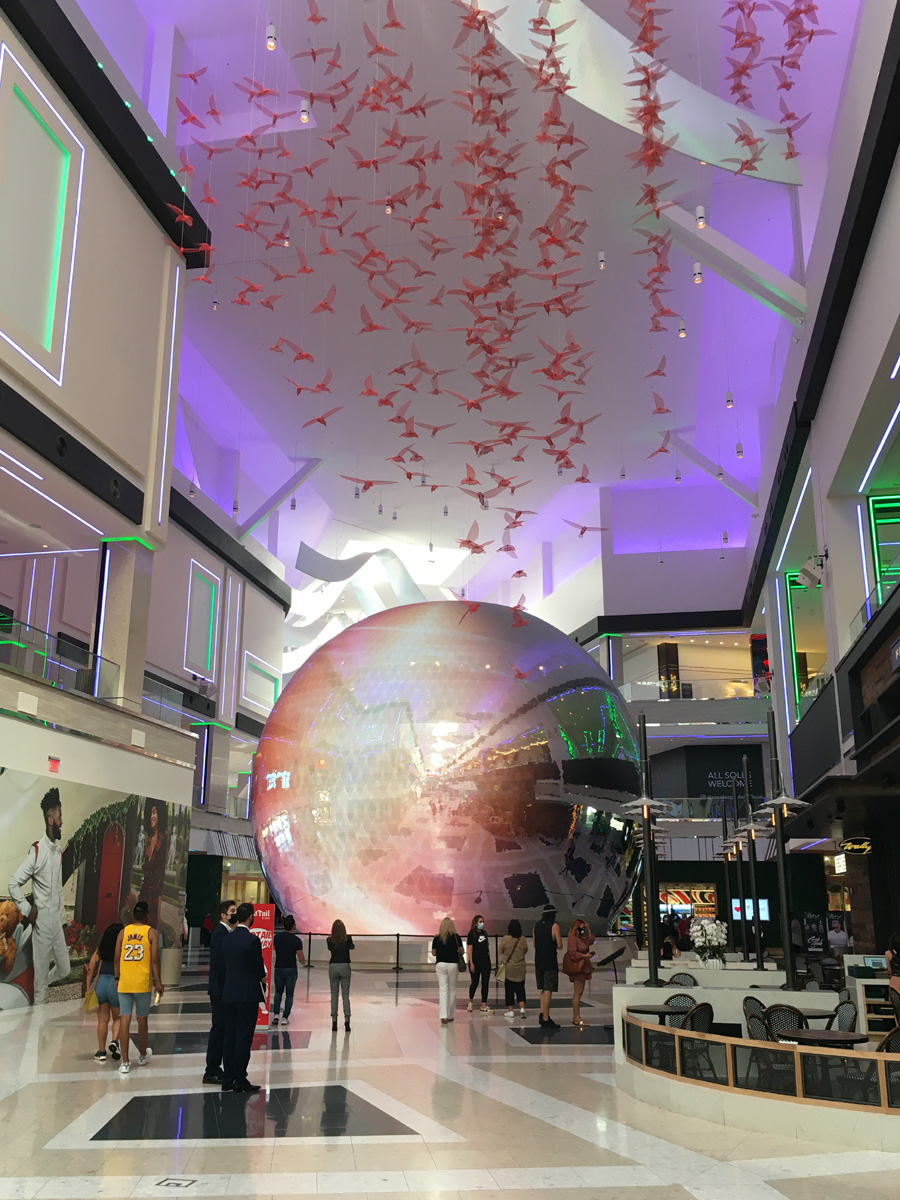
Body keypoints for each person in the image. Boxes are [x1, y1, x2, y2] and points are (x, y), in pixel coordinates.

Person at [8, 787, 69, 1005]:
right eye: (59, 817)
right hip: (41, 922)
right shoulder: (36, 851)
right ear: (50, 819)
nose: (62, 821)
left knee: (65, 969)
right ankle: (36, 1022)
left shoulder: (58, 852)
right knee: (41, 989)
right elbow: (13, 883)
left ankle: (42, 985)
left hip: (56, 922)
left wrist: (63, 920)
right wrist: (27, 910)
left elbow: (59, 890)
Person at [221, 901, 266, 1093]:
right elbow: (259, 969)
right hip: (247, 995)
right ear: (250, 917)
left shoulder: (227, 939)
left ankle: (227, 1077)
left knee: (229, 1035)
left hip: (229, 993)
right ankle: (240, 1078)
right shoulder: (252, 941)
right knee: (243, 1037)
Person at [114, 901, 163, 1076]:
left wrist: (117, 977)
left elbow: (117, 958)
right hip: (142, 983)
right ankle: (142, 1055)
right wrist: (158, 981)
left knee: (124, 1020)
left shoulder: (123, 932)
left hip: (125, 983)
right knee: (142, 1020)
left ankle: (125, 1062)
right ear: (147, 916)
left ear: (133, 915)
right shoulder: (151, 933)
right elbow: (154, 960)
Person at [203, 898, 236, 1085]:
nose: (235, 914)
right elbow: (222, 963)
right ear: (223, 915)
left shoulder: (226, 933)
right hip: (220, 989)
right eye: (232, 911)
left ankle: (217, 1067)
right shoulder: (220, 934)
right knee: (219, 1029)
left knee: (223, 1028)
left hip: (223, 988)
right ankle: (211, 1069)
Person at [85, 922, 123, 1062]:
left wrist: (88, 988)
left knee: (102, 1020)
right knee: (118, 1018)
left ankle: (101, 1051)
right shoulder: (123, 950)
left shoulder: (99, 951)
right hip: (116, 984)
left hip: (100, 983)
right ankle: (114, 1041)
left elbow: (91, 970)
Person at [138, 800, 168, 930]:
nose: (151, 816)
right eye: (150, 813)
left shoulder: (164, 837)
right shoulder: (149, 838)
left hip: (154, 891)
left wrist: (159, 914)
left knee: (151, 929)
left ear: (160, 814)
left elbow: (161, 875)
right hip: (145, 890)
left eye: (154, 813)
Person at [272, 914, 306, 1026]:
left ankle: (276, 1015)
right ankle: (285, 1017)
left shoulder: (277, 937)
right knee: (289, 994)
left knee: (278, 992)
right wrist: (303, 961)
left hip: (278, 967)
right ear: (293, 926)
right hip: (291, 969)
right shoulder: (296, 941)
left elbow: (274, 948)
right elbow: (301, 958)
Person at [533, 903, 563, 1029]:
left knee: (543, 989)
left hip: (538, 961)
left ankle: (541, 1013)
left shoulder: (536, 925)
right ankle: (546, 1018)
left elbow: (534, 943)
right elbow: (560, 945)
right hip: (550, 961)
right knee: (548, 989)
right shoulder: (554, 926)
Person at [432, 916, 463, 1025]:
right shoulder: (456, 937)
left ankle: (443, 1016)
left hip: (440, 964)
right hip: (453, 964)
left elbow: (433, 953)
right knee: (452, 989)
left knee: (443, 990)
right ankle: (450, 1015)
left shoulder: (437, 938)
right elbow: (462, 951)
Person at [564, 916, 595, 1027]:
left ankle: (576, 1016)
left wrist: (588, 930)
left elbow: (591, 941)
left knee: (580, 992)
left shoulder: (583, 937)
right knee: (578, 992)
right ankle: (576, 1017)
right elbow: (572, 953)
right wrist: (584, 956)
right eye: (581, 928)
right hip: (578, 967)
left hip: (584, 966)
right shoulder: (572, 938)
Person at [327, 919, 354, 1032]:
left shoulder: (329, 940)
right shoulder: (348, 939)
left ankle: (334, 1022)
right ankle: (347, 1021)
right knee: (345, 995)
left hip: (333, 966)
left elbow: (330, 948)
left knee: (334, 995)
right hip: (345, 966)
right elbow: (352, 947)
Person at [498, 918, 528, 1020]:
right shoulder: (522, 939)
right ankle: (522, 1009)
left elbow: (500, 951)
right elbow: (525, 950)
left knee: (509, 989)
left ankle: (510, 1011)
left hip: (509, 968)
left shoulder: (506, 939)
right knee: (521, 989)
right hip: (521, 967)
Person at [466, 913, 492, 1014]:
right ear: (476, 923)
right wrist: (471, 962)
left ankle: (484, 1004)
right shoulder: (471, 934)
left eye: (483, 922)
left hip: (485, 961)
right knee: (475, 982)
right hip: (476, 961)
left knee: (485, 983)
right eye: (480, 922)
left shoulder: (485, 933)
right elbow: (470, 949)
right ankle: (470, 1001)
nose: (482, 924)